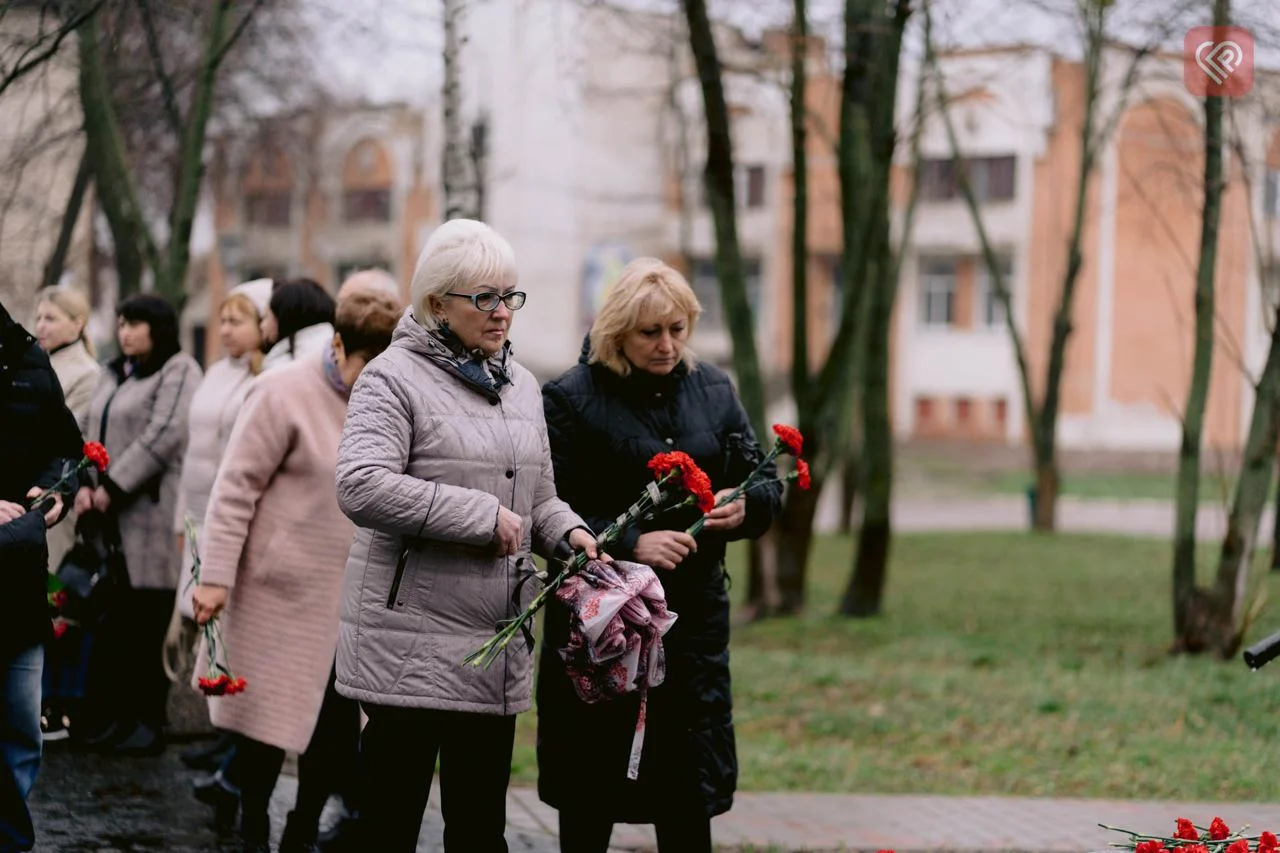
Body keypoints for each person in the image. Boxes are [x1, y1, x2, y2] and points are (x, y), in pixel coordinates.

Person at [332, 218, 599, 853]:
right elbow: (360, 484)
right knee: (389, 827)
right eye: (484, 297)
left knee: (479, 831)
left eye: (510, 295)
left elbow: (538, 499)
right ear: (436, 304)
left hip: (492, 642)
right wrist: (479, 518)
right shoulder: (390, 378)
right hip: (408, 647)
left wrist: (571, 534)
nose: (503, 312)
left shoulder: (522, 387)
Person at [535, 258, 783, 853]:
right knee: (590, 792)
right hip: (603, 629)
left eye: (678, 328)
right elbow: (548, 508)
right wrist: (628, 544)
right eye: (651, 332)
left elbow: (764, 479)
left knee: (685, 795)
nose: (668, 345)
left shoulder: (714, 389)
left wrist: (747, 507)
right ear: (617, 330)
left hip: (690, 626)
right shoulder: (569, 398)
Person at [190, 288, 402, 853]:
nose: (373, 381)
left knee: (333, 735)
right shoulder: (280, 391)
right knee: (264, 727)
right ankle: (254, 822)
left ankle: (301, 829)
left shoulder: (390, 401)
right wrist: (214, 578)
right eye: (365, 367)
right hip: (277, 594)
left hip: (351, 600)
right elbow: (234, 489)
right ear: (336, 345)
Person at [74, 294, 201, 755]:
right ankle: (116, 717)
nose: (126, 331)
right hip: (108, 518)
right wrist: (85, 484)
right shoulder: (112, 372)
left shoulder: (179, 369)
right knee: (117, 623)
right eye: (122, 322)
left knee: (148, 621)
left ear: (159, 327)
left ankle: (149, 719)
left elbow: (165, 433)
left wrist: (112, 487)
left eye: (136, 324)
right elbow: (88, 428)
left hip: (150, 513)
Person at [171, 280, 271, 818]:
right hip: (195, 509)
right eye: (223, 320)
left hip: (228, 515)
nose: (227, 329)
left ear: (262, 326)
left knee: (226, 632)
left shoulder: (265, 380)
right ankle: (218, 731)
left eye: (238, 320)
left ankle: (233, 742)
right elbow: (195, 449)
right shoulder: (213, 373)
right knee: (202, 629)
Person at [0, 298, 85, 852]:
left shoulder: (28, 356)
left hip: (18, 571)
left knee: (21, 727)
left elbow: (66, 448)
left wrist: (57, 493)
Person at [31, 286, 100, 742]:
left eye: (51, 318)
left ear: (78, 323)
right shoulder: (34, 364)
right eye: (38, 318)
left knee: (56, 597)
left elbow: (60, 431)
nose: (41, 326)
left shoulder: (85, 373)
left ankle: (60, 705)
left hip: (58, 497)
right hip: (29, 496)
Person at [260, 278, 335, 372]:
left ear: (284, 317)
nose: (262, 326)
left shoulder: (282, 367)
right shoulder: (332, 349)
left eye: (266, 317)